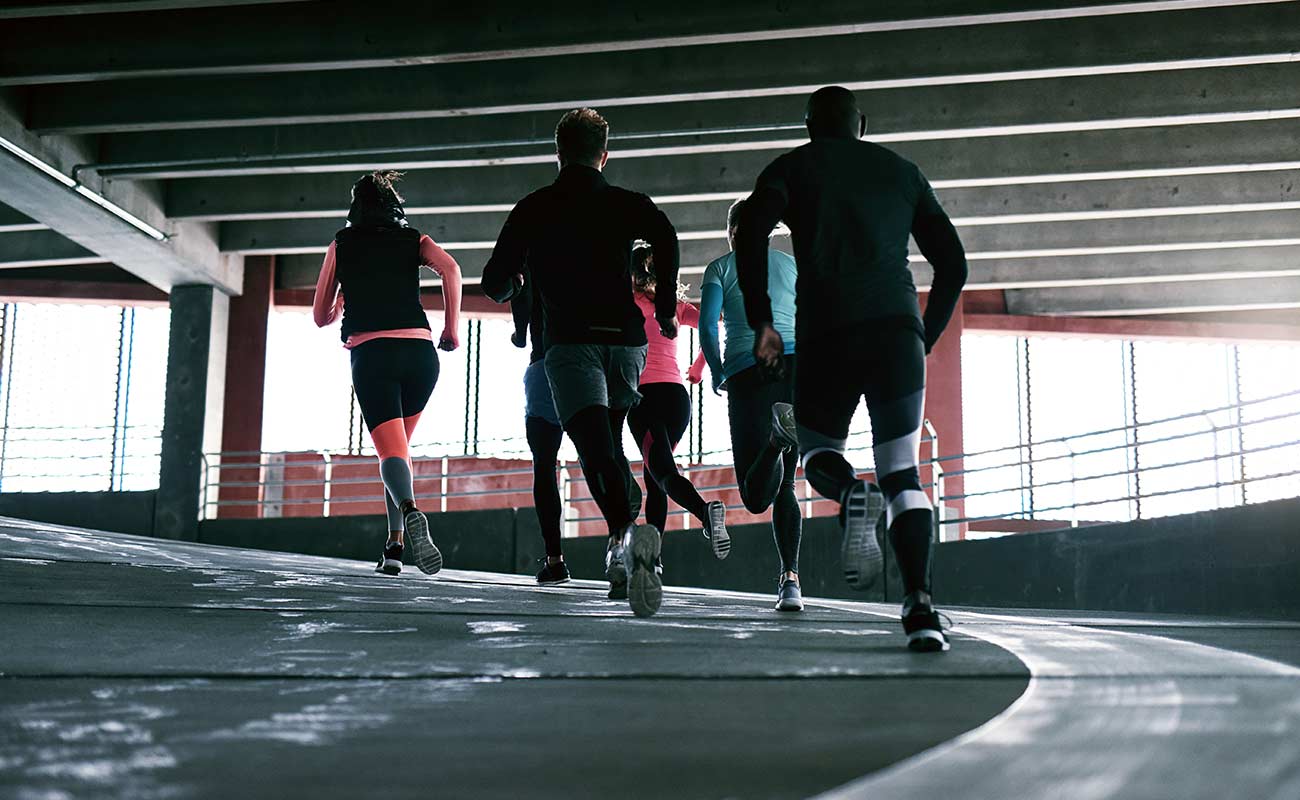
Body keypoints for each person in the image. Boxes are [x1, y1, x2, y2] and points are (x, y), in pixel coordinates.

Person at [734, 87, 968, 651]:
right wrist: (923, 335)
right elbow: (953, 264)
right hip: (894, 330)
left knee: (817, 456)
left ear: (809, 126)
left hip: (826, 333)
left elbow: (749, 233)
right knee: (901, 471)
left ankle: (848, 496)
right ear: (861, 124)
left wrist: (762, 319)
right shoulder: (902, 171)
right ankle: (920, 609)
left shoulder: (790, 167)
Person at [482, 108, 680, 618]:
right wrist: (661, 311)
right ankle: (622, 551)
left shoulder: (535, 207)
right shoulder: (624, 203)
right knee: (608, 446)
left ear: (558, 153)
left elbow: (494, 279)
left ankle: (630, 532)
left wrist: (513, 288)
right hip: (627, 345)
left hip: (571, 344)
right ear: (604, 154)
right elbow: (666, 235)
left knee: (596, 453)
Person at [312, 170, 462, 578]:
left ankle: (412, 512)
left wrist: (343, 301)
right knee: (396, 453)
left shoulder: (342, 244)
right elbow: (451, 269)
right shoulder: (414, 239)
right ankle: (395, 548)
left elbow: (320, 317)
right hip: (420, 355)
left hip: (373, 355)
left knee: (391, 454)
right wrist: (451, 329)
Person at [698, 198, 803, 611]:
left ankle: (776, 441)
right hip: (794, 366)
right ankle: (790, 581)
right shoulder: (790, 266)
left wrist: (719, 370)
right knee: (788, 486)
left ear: (733, 231)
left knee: (756, 496)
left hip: (749, 369)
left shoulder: (720, 268)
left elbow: (708, 324)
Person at [627, 244, 728, 561]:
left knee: (661, 474)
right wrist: (700, 366)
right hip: (676, 400)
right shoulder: (676, 306)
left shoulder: (625, 304)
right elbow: (715, 324)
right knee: (655, 475)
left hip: (643, 398)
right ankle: (653, 562)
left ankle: (704, 511)